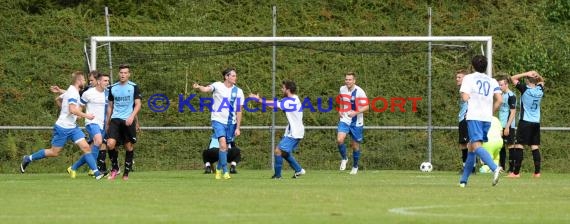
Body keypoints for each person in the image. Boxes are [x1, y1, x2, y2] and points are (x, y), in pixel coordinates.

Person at [19, 71, 104, 179]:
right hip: (63, 127)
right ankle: (28, 158)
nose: (85, 82)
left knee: (86, 147)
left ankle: (97, 174)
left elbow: (58, 99)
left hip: (73, 127)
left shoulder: (72, 90)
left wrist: (65, 107)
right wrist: (85, 115)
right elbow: (72, 109)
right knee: (54, 152)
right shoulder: (73, 92)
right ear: (78, 81)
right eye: (83, 80)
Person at [458, 55, 503, 187]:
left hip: (474, 116)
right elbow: (499, 100)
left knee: (476, 146)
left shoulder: (468, 78)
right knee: (471, 147)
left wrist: (464, 94)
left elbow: (465, 98)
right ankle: (463, 181)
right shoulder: (492, 80)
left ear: (472, 66)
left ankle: (495, 168)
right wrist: (490, 112)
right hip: (486, 118)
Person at [193, 68, 244, 180]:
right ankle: (225, 172)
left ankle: (219, 169)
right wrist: (199, 87)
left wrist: (238, 128)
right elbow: (206, 89)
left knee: (224, 149)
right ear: (226, 77)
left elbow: (239, 110)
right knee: (222, 144)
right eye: (233, 75)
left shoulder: (239, 91)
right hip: (217, 121)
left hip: (231, 123)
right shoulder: (218, 85)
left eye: (235, 75)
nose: (235, 77)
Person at [249, 80, 306, 179]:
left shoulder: (289, 101)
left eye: (283, 88)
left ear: (288, 90)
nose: (282, 89)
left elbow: (274, 104)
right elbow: (274, 104)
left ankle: (278, 175)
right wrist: (260, 101)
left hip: (294, 132)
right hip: (294, 131)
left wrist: (258, 100)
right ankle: (298, 170)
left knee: (278, 151)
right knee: (284, 152)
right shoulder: (293, 98)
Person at [66, 72, 110, 178]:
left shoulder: (108, 93)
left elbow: (110, 108)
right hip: (91, 122)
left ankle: (73, 167)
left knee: (92, 148)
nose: (107, 83)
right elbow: (80, 105)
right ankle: (94, 170)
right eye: (105, 80)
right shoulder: (88, 93)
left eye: (108, 81)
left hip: (103, 124)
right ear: (99, 82)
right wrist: (79, 116)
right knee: (98, 141)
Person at [104, 64, 142, 180]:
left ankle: (126, 173)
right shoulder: (113, 88)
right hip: (115, 119)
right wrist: (107, 121)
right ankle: (115, 168)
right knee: (110, 144)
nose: (123, 75)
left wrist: (133, 118)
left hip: (128, 120)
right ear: (118, 74)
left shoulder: (134, 87)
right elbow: (110, 106)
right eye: (121, 73)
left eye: (125, 73)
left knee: (128, 146)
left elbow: (138, 104)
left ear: (129, 74)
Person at [510, 71, 544, 178]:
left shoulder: (525, 89)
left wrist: (526, 73)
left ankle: (516, 173)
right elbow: (542, 81)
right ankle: (537, 172)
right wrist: (537, 75)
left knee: (519, 145)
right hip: (536, 122)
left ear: (528, 80)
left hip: (525, 121)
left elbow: (513, 78)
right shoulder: (540, 89)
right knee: (534, 146)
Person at [337, 72, 369, 175]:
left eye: (350, 80)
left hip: (356, 122)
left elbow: (367, 107)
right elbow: (342, 100)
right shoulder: (342, 89)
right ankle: (344, 158)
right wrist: (341, 110)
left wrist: (355, 112)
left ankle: (355, 166)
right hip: (345, 119)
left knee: (355, 146)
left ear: (354, 80)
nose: (348, 81)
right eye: (346, 79)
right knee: (339, 140)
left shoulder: (360, 92)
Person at [455, 69, 476, 174]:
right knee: (463, 144)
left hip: (467, 118)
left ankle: (470, 168)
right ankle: (467, 166)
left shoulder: (467, 89)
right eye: (457, 77)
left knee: (468, 143)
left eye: (459, 77)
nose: (457, 79)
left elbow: (467, 100)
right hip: (462, 118)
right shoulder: (463, 89)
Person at [496, 75, 517, 175]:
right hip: (501, 125)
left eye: (501, 85)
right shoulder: (501, 95)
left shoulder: (511, 96)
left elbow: (513, 112)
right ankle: (502, 167)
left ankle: (512, 169)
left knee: (510, 146)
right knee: (501, 146)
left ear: (506, 84)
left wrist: (508, 126)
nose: (500, 87)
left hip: (508, 125)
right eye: (498, 85)